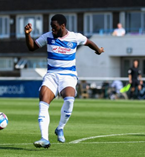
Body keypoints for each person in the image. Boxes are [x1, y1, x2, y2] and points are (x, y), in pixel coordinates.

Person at [24, 14, 104, 148]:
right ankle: (44, 138)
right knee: (43, 100)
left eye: (55, 27)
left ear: (63, 26)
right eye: (51, 27)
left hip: (68, 76)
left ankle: (60, 127)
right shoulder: (48, 36)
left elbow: (88, 42)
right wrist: (27, 35)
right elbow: (32, 47)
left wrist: (99, 50)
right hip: (51, 75)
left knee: (69, 99)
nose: (53, 30)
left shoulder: (75, 37)